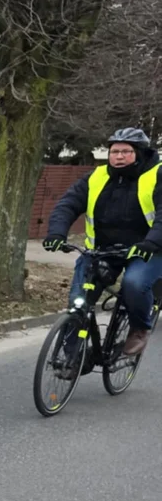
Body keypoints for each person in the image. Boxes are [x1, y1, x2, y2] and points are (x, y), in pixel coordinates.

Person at [43, 127, 162, 358]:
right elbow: (68, 204)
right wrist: (56, 234)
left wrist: (152, 242)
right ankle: (72, 357)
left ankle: (139, 329)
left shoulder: (156, 175)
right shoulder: (97, 177)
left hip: (147, 250)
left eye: (126, 151)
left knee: (135, 284)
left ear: (140, 153)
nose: (118, 156)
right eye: (114, 151)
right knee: (79, 299)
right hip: (102, 250)